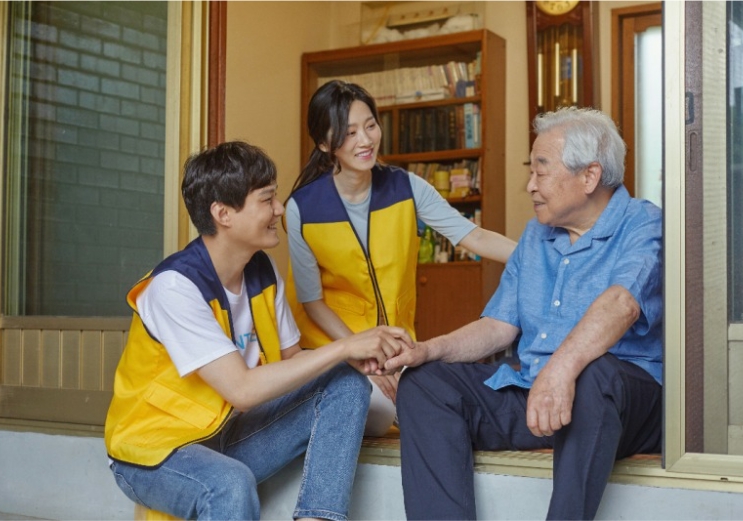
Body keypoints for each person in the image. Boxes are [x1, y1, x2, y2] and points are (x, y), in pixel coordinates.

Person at [104, 141, 412, 521]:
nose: (279, 210)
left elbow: (295, 363)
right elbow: (243, 390)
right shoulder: (175, 287)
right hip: (153, 453)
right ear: (223, 214)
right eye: (267, 200)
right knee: (229, 483)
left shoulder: (261, 271)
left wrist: (355, 362)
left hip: (227, 437)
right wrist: (345, 346)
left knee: (346, 384)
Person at [385, 107, 663, 520]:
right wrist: (428, 350)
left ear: (589, 176)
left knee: (594, 374)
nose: (530, 185)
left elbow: (621, 304)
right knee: (426, 383)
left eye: (541, 172)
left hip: (618, 404)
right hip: (539, 396)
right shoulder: (537, 234)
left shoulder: (643, 222)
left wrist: (561, 368)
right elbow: (499, 326)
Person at [285, 80, 517, 436]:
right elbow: (312, 302)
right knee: (375, 411)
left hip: (397, 348)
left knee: (438, 406)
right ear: (324, 143)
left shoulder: (407, 187)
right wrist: (360, 354)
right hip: (332, 349)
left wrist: (540, 257)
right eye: (349, 133)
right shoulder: (302, 208)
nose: (365, 141)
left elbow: (474, 235)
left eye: (370, 125)